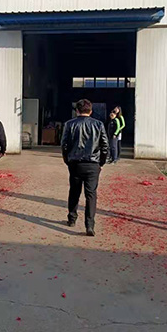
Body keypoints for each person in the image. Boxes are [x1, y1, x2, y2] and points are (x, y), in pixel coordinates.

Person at [61, 99, 109, 236]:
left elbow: (64, 145)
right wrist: (101, 163)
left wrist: (67, 160)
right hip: (93, 163)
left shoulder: (70, 124)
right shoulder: (98, 124)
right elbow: (105, 146)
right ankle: (90, 225)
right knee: (91, 194)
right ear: (91, 111)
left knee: (74, 191)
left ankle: (72, 218)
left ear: (77, 110)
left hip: (75, 163)